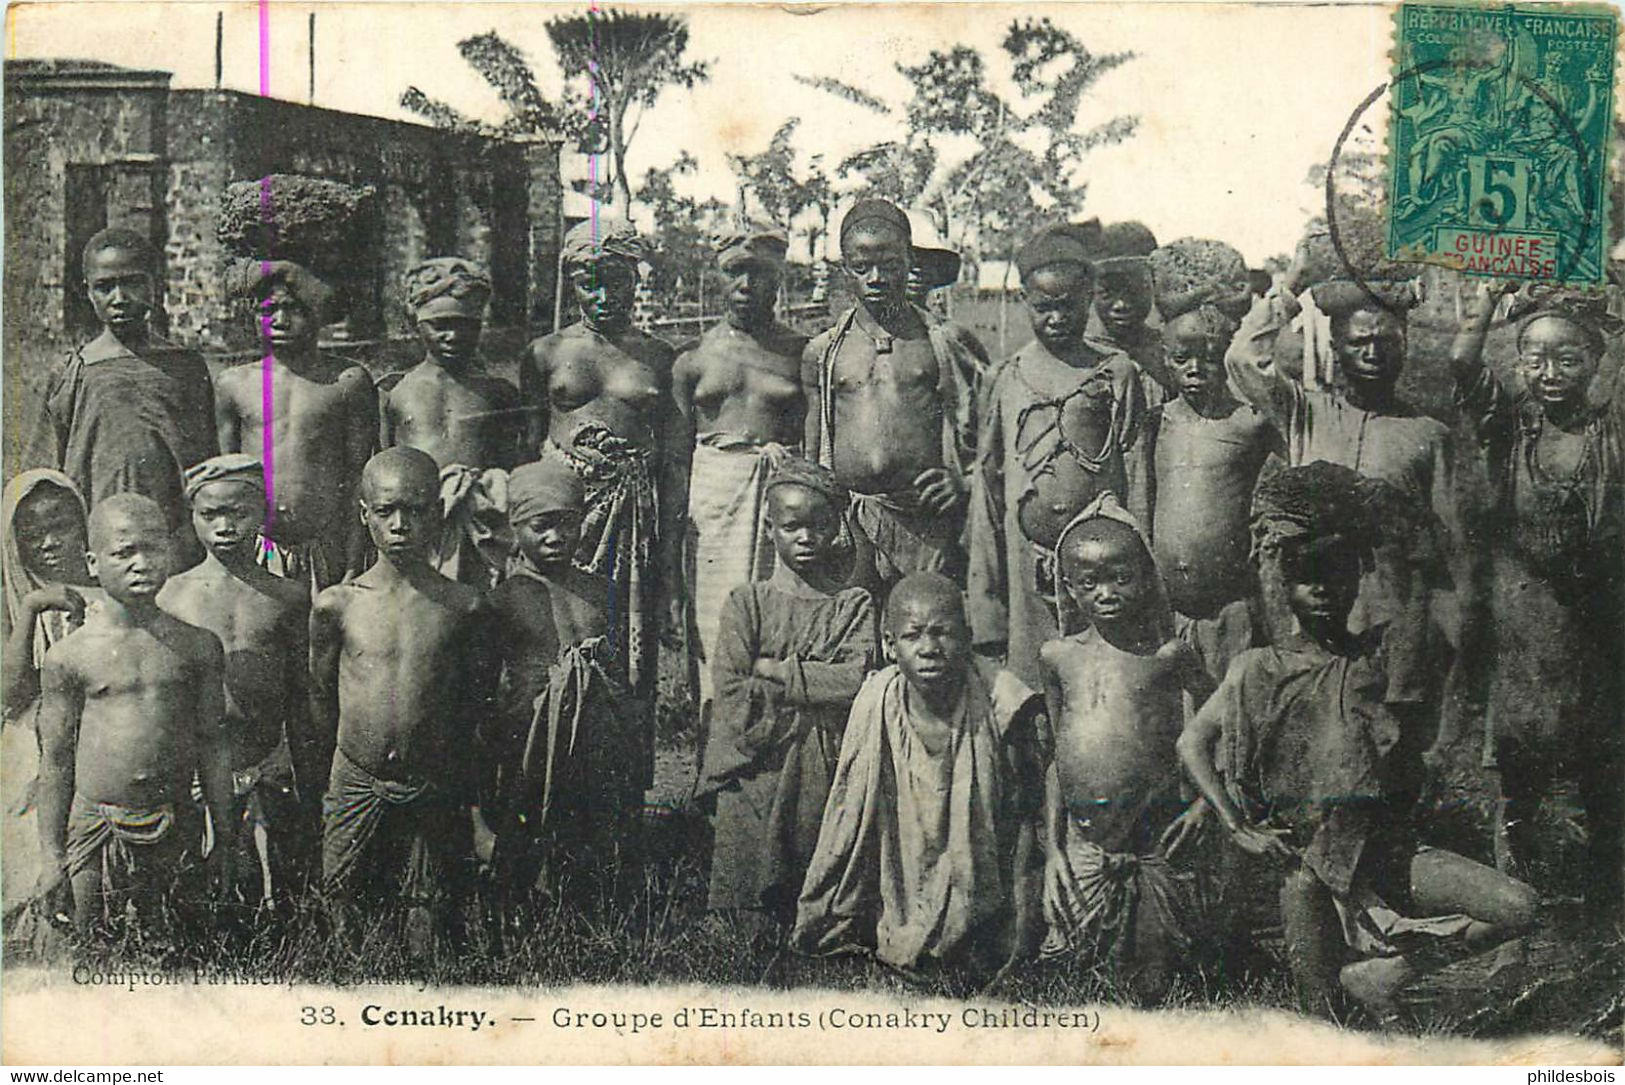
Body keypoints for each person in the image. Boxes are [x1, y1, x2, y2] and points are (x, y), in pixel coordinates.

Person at [1178, 464, 1538, 1021]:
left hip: (1384, 852)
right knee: (1323, 1027)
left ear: (1357, 579)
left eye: (1338, 574)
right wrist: (1237, 826)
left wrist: (1390, 532)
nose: (1323, 589)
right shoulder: (1257, 668)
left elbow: (1436, 619)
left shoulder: (1374, 658)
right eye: (1307, 576)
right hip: (1304, 868)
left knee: (1519, 906)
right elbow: (1192, 744)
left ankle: (1386, 973)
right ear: (1285, 584)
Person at [1225, 230, 1457, 757]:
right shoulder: (1304, 412)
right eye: (1358, 342)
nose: (1372, 352)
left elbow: (1449, 555)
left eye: (1385, 341)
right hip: (1313, 629)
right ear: (1336, 347)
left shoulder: (1428, 434)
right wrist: (1291, 286)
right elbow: (1243, 359)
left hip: (1392, 630)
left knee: (1391, 765)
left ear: (1405, 346)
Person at [1450, 283, 1622, 918]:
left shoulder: (1608, 430)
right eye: (1534, 358)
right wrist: (1488, 303)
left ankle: (1602, 903)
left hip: (1597, 622)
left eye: (1567, 358)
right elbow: (1464, 366)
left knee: (1600, 763)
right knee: (1519, 767)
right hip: (1523, 620)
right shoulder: (1514, 423)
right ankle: (1519, 895)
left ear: (1595, 361)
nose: (1549, 373)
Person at [792, 572, 1043, 978]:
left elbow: (1023, 810)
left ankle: (974, 930)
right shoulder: (878, 702)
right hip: (902, 861)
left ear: (967, 636)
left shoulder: (999, 699)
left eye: (943, 633)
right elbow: (852, 815)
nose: (929, 649)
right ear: (889, 645)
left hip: (982, 873)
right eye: (913, 636)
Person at [309, 447, 494, 957]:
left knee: (432, 914)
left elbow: (473, 706)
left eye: (414, 510)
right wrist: (339, 770)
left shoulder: (463, 606)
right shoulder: (336, 605)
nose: (400, 525)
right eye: (386, 511)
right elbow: (322, 697)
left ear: (437, 512)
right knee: (342, 898)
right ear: (364, 514)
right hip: (357, 773)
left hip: (433, 776)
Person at [1036, 494, 1217, 1003]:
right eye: (1088, 583)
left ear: (1147, 576)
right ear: (1068, 589)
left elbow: (1216, 735)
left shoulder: (1170, 657)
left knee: (1157, 974)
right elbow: (1058, 759)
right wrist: (1053, 850)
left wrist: (1204, 804)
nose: (1106, 593)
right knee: (1070, 963)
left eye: (1121, 577)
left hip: (1155, 838)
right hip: (1085, 843)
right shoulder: (1056, 658)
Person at [519, 216, 678, 791]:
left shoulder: (660, 358)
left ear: (634, 277)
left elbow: (674, 459)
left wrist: (670, 551)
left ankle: (621, 803)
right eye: (589, 282)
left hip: (632, 520)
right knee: (558, 644)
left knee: (626, 654)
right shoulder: (545, 354)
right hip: (561, 519)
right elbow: (525, 452)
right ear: (571, 283)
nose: (603, 295)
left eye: (614, 279)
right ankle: (553, 787)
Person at [33, 494, 233, 937]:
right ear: (92, 562)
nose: (141, 563)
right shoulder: (70, 657)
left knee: (178, 952)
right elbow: (57, 761)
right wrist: (53, 858)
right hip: (96, 827)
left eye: (153, 548)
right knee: (93, 951)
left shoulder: (198, 646)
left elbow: (214, 745)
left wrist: (224, 837)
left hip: (175, 822)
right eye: (124, 552)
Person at [696, 457, 878, 932]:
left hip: (822, 754)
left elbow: (854, 679)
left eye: (819, 526)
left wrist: (778, 670)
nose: (806, 538)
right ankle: (744, 910)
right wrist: (813, 686)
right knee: (748, 825)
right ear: (769, 527)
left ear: (836, 528)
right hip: (756, 751)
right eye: (793, 526)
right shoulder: (747, 602)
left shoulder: (851, 605)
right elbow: (732, 684)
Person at [967, 221, 1146, 686]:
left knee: (1104, 688)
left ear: (1089, 298)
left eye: (1068, 305)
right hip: (1026, 571)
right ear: (1025, 301)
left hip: (1103, 574)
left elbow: (1138, 479)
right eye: (1044, 307)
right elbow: (987, 494)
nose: (1057, 318)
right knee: (1034, 689)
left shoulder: (1114, 374)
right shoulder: (1005, 378)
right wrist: (986, 608)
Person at [157, 455, 321, 908]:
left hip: (263, 756)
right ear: (192, 516)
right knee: (197, 887)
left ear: (263, 513)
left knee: (276, 891)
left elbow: (299, 694)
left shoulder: (286, 596)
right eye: (210, 514)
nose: (224, 526)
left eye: (238, 512)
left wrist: (306, 774)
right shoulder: (171, 595)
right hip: (195, 765)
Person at [485, 455, 644, 915]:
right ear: (516, 529)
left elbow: (615, 664)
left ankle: (589, 910)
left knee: (590, 830)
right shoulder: (507, 598)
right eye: (541, 526)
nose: (556, 538)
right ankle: (521, 910)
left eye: (567, 526)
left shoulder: (598, 590)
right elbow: (491, 685)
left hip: (594, 733)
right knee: (528, 823)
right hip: (530, 735)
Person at [671, 225, 808, 727]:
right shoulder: (691, 359)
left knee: (778, 627)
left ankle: (774, 769)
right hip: (712, 507)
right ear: (717, 277)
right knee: (715, 630)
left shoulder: (801, 353)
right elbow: (675, 456)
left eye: (760, 273)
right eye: (735, 272)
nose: (747, 285)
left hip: (781, 502)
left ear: (779, 279)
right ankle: (715, 764)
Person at [804, 199, 981, 587]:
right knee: (859, 632)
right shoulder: (824, 353)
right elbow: (813, 448)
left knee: (927, 629)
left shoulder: (945, 342)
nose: (876, 278)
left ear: (909, 262)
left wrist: (964, 482)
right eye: (861, 267)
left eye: (891, 265)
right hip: (853, 523)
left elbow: (990, 436)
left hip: (930, 523)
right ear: (844, 269)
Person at [45, 228, 217, 560]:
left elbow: (207, 455)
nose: (119, 297)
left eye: (133, 282)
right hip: (101, 536)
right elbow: (53, 468)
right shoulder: (74, 371)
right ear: (88, 292)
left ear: (156, 284)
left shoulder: (186, 367)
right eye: (105, 286)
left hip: (176, 538)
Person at [215, 261, 376, 591]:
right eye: (269, 309)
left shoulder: (346, 382)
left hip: (326, 546)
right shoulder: (234, 383)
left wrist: (351, 565)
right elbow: (224, 479)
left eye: (295, 308)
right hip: (256, 549)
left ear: (318, 314)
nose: (281, 320)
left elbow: (359, 476)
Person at [1141, 239, 1280, 619]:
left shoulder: (1248, 422)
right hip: (1166, 610)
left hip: (1232, 606)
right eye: (1182, 358)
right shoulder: (1157, 422)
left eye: (1211, 357)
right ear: (1165, 358)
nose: (1195, 369)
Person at [382, 258, 522, 588]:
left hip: (482, 524)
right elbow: (382, 465)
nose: (452, 334)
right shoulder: (395, 391)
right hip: (417, 523)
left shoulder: (498, 392)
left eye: (465, 324)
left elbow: (512, 463)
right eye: (440, 324)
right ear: (416, 324)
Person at [1, 471, 97, 932]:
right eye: (33, 535)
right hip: (33, 747)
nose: (49, 543)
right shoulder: (13, 602)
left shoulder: (112, 594)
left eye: (62, 527)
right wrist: (32, 609)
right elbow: (12, 691)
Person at [1087, 220, 1170, 407]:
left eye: (1133, 291)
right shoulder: (1079, 357)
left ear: (1152, 287)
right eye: (1108, 291)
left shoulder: (1170, 354)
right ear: (1091, 291)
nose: (1121, 304)